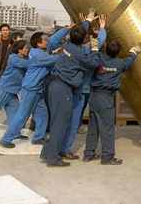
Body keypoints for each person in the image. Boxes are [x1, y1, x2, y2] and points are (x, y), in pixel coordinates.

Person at [0, 19, 74, 148]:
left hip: (37, 89)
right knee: (22, 115)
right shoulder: (40, 56)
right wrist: (71, 52)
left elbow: (53, 39)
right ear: (39, 44)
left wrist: (68, 28)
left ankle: (38, 137)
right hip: (30, 90)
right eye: (44, 40)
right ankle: (6, 139)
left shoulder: (39, 49)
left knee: (42, 114)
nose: (46, 41)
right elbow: (58, 58)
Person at [41, 12, 102, 168]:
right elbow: (93, 64)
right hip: (63, 89)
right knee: (60, 125)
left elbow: (79, 30)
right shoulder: (79, 53)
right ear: (83, 40)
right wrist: (95, 49)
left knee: (55, 122)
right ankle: (53, 158)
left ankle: (47, 152)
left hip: (54, 86)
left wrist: (87, 20)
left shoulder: (67, 44)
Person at [83, 32, 141, 166]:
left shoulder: (99, 59)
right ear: (117, 52)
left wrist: (98, 36)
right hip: (106, 98)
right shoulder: (120, 63)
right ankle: (108, 157)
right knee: (107, 128)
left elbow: (95, 52)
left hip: (95, 97)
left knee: (93, 127)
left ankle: (88, 153)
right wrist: (133, 51)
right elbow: (129, 61)